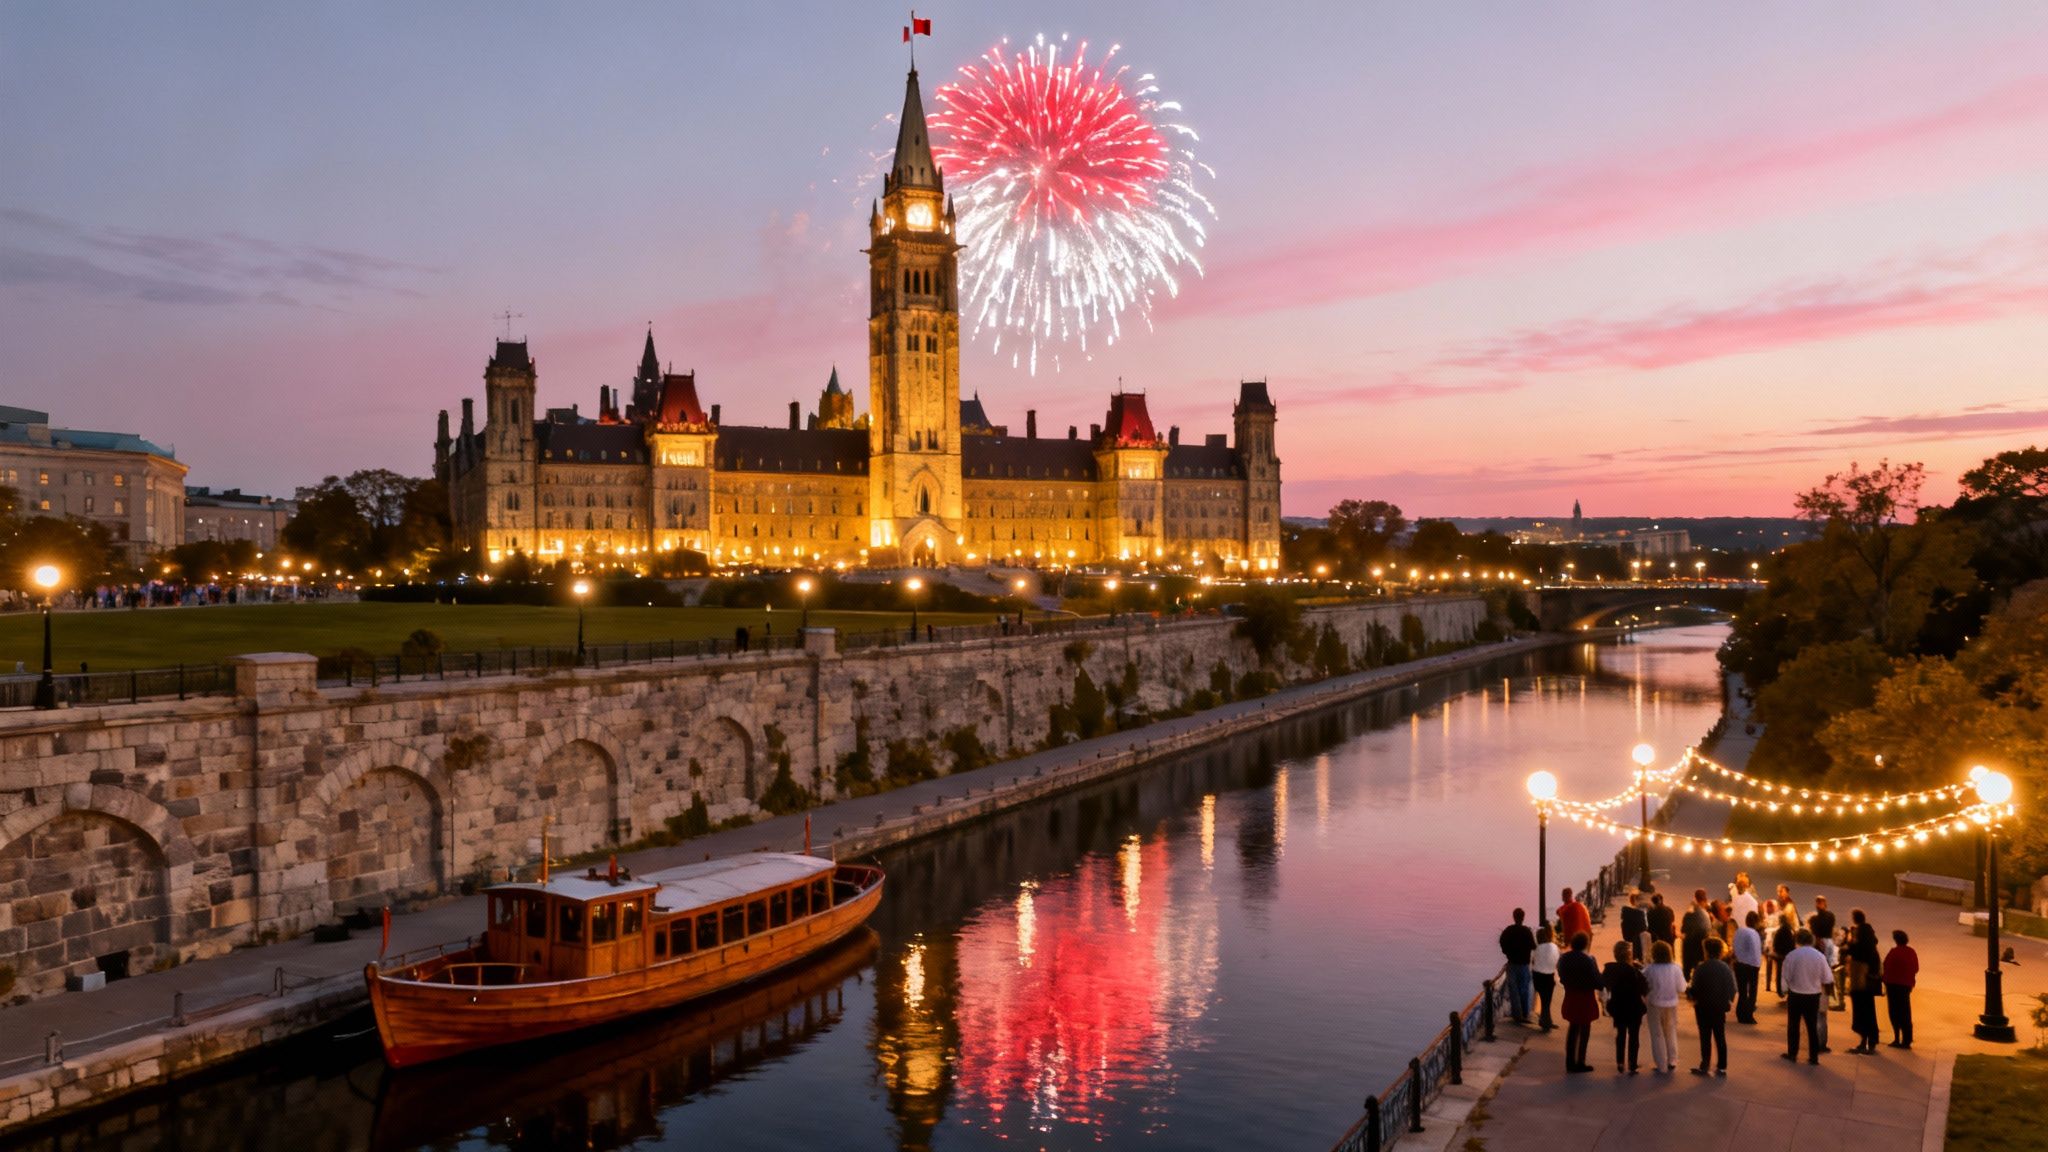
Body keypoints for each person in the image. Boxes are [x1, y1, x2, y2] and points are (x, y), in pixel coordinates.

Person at [1689, 937, 1737, 1075]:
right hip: (1719, 1007)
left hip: (1703, 1007)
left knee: (1705, 1037)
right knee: (1720, 1036)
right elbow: (1732, 989)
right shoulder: (1725, 968)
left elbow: (1695, 987)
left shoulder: (1700, 968)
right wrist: (1727, 1001)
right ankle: (1722, 1066)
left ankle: (1705, 1064)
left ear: (1706, 951)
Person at [1782, 929, 1829, 1064]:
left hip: (1795, 994)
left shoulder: (1792, 955)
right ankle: (1813, 1057)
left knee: (1793, 1025)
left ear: (1798, 940)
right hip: (1813, 996)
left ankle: (1792, 1054)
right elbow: (1827, 977)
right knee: (1811, 1026)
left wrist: (1786, 989)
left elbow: (1786, 976)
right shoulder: (1819, 956)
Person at [1558, 932, 1603, 1073]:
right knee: (1584, 1031)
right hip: (1585, 998)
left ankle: (1569, 1063)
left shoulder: (1564, 959)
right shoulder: (1589, 960)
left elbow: (1561, 976)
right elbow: (1598, 981)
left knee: (1572, 1029)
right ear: (1585, 944)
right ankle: (1581, 1062)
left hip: (1571, 996)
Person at [1603, 939, 1648, 1074]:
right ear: (1629, 955)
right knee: (1634, 1036)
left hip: (1618, 1006)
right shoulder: (1635, 971)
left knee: (1620, 1034)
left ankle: (1620, 1062)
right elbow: (1644, 989)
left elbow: (1604, 985)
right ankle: (1632, 1064)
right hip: (1634, 1007)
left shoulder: (1610, 970)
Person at [1643, 940, 1685, 1074]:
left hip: (1654, 1003)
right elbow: (1682, 987)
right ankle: (1672, 1059)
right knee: (1670, 1031)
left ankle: (1661, 1063)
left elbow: (1644, 984)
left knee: (1657, 1034)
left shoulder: (1650, 969)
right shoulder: (1676, 968)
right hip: (1672, 1004)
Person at [1845, 918, 1883, 1054]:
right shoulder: (1873, 949)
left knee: (1860, 1015)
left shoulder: (1858, 947)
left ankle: (1863, 1042)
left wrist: (1850, 936)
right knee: (1870, 1014)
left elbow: (1846, 950)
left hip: (1858, 986)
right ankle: (1871, 1043)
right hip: (1869, 987)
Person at [1498, 908, 1538, 1025]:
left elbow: (1502, 942)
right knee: (1524, 989)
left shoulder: (1508, 931)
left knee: (1513, 990)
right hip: (1524, 965)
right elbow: (1533, 946)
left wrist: (1506, 952)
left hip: (1512, 964)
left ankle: (1517, 1015)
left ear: (1514, 917)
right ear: (1523, 917)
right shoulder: (1527, 931)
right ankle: (1525, 1013)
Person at [1883, 929, 1919, 1049]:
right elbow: (1916, 968)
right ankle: (1907, 1039)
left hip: (1893, 985)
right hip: (1906, 986)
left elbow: (1886, 966)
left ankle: (1897, 1037)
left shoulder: (1894, 952)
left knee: (1894, 1012)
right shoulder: (1911, 952)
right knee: (1905, 1012)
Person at [1732, 911, 1764, 1024]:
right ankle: (1748, 1015)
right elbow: (1756, 952)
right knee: (1752, 992)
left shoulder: (1738, 931)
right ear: (1756, 922)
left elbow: (1734, 946)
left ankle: (1740, 1014)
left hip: (1738, 964)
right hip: (1751, 965)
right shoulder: (1754, 933)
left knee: (1742, 992)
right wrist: (1758, 966)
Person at [1532, 926, 1560, 1032]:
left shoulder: (1537, 949)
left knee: (1544, 1001)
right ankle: (1546, 1022)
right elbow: (1557, 960)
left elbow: (1533, 962)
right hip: (1549, 977)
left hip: (1538, 977)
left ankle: (1546, 1021)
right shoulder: (1554, 946)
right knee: (1546, 1001)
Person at [1680, 889, 1711, 979]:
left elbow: (1683, 929)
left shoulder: (1689, 913)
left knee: (1687, 972)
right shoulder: (1705, 915)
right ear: (1704, 900)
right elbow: (1707, 929)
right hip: (1700, 946)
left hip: (1689, 945)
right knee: (1700, 972)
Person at [1771, 909, 1797, 997]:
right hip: (1790, 954)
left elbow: (1775, 943)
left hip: (1781, 955)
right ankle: (1788, 990)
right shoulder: (1791, 930)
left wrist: (1775, 950)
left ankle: (1780, 990)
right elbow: (1793, 942)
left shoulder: (1780, 930)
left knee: (1779, 973)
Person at [1619, 891, 1648, 963]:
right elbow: (1644, 928)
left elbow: (1624, 929)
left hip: (1629, 940)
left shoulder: (1626, 913)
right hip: (1639, 942)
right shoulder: (1640, 914)